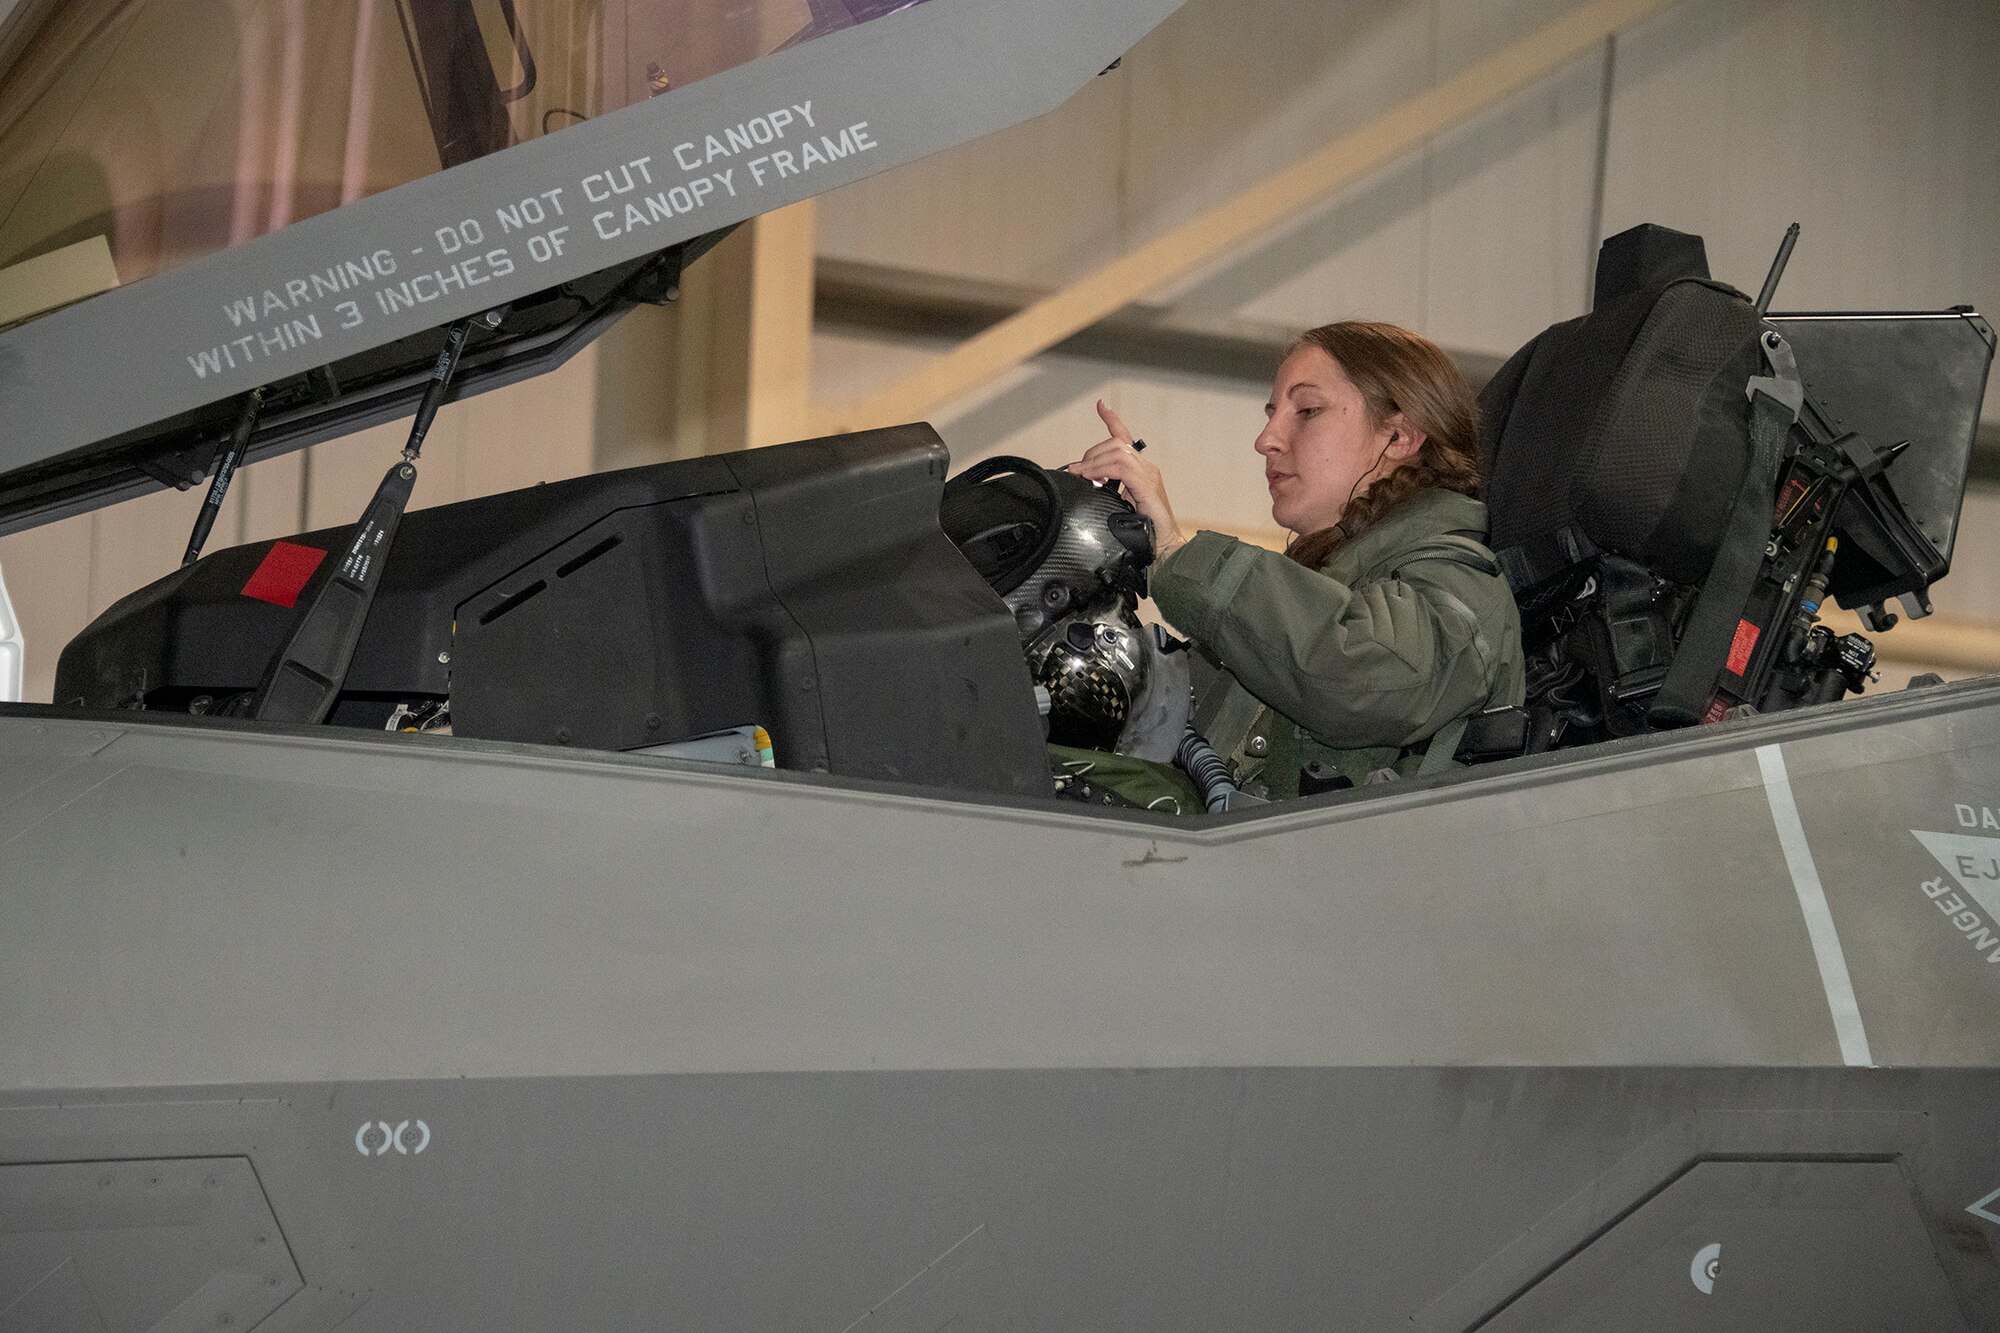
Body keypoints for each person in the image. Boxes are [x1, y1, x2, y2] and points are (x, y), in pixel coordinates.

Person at [1066, 320, 1525, 803]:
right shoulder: (1306, 603)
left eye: (1306, 410)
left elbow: (1360, 675)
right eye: (1271, 413)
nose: (1266, 439)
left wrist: (1174, 554)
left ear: (1399, 437)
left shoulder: (1460, 585)